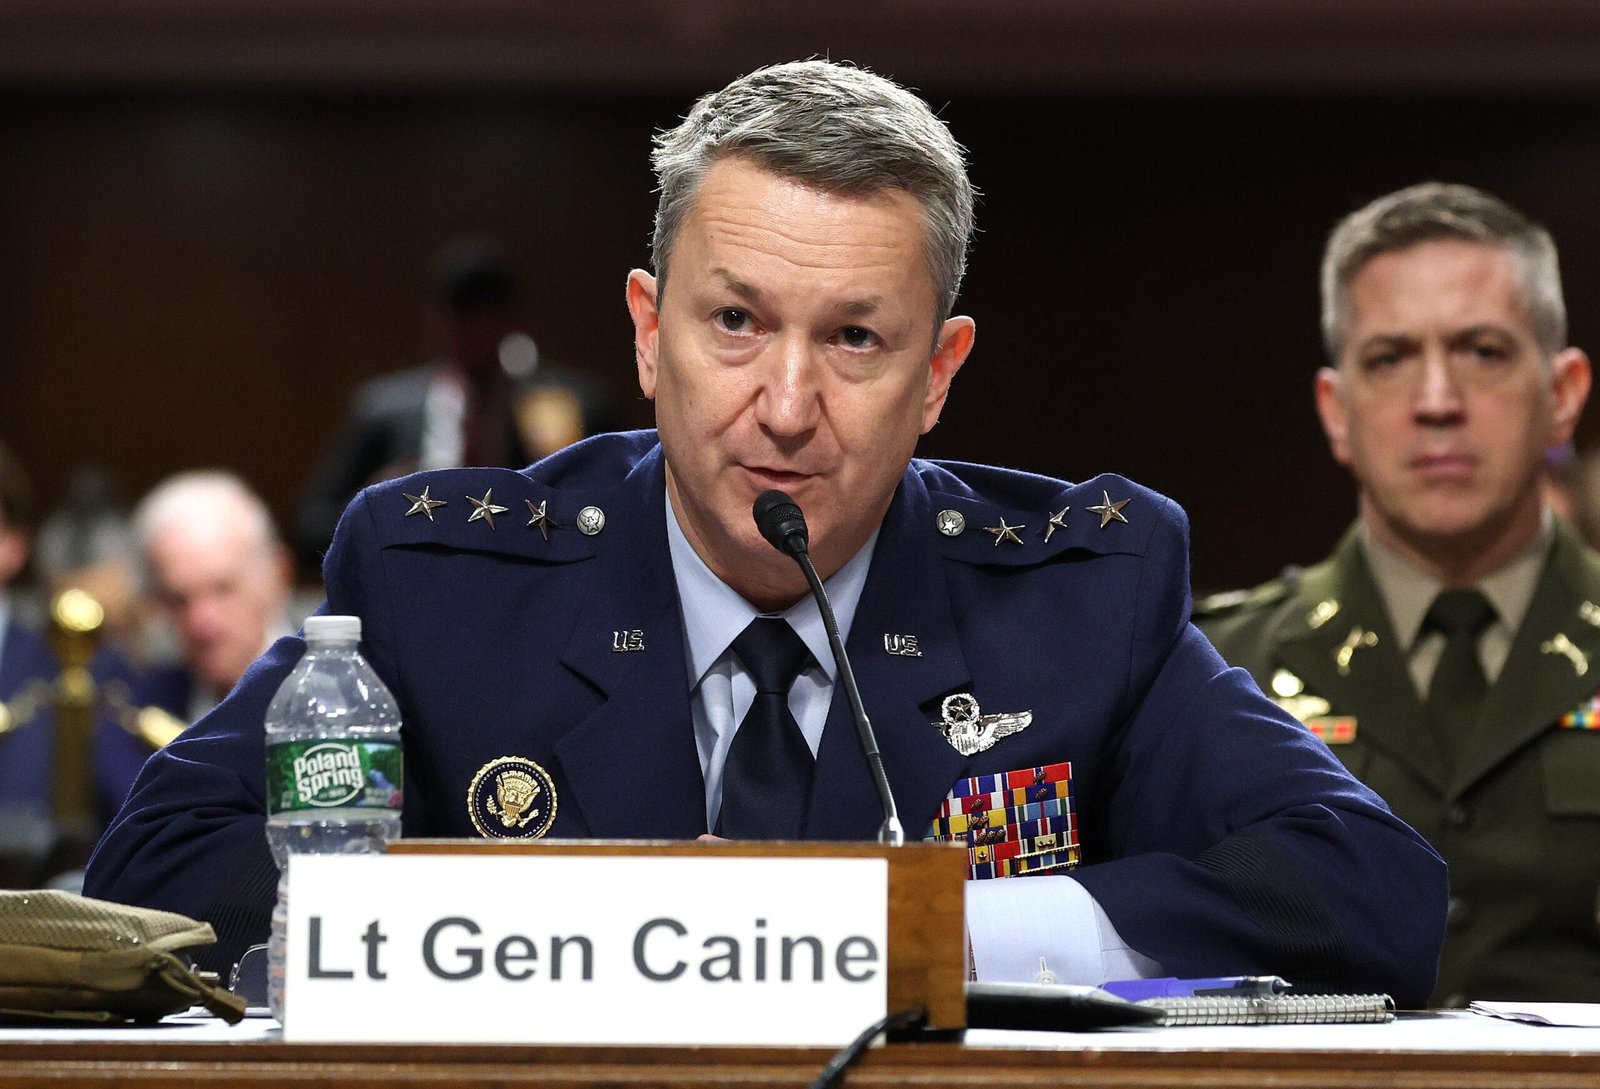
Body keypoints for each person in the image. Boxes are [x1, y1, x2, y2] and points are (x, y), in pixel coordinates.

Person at [85, 61, 1447, 1002]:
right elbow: (158, 878)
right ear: (646, 332)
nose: (786, 407)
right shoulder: (446, 582)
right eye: (734, 322)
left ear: (937, 374)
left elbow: (1370, 889)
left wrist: (924, 937)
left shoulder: (1077, 598)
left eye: (855, 339)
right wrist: (608, 937)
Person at [1198, 182, 1597, 1005]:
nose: (1437, 402)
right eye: (1390, 359)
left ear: (1562, 394)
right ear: (1335, 410)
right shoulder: (1217, 667)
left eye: (1483, 351)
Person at [294, 238, 615, 572]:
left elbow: (617, 514)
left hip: (537, 577)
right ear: (435, 321)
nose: (478, 331)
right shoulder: (385, 412)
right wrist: (373, 500)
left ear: (515, 323)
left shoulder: (570, 405)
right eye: (463, 316)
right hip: (418, 580)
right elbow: (311, 527)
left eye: (491, 315)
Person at [128, 471, 295, 726]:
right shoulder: (138, 713)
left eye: (222, 589)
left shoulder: (341, 691)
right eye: (179, 600)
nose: (201, 620)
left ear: (278, 575)